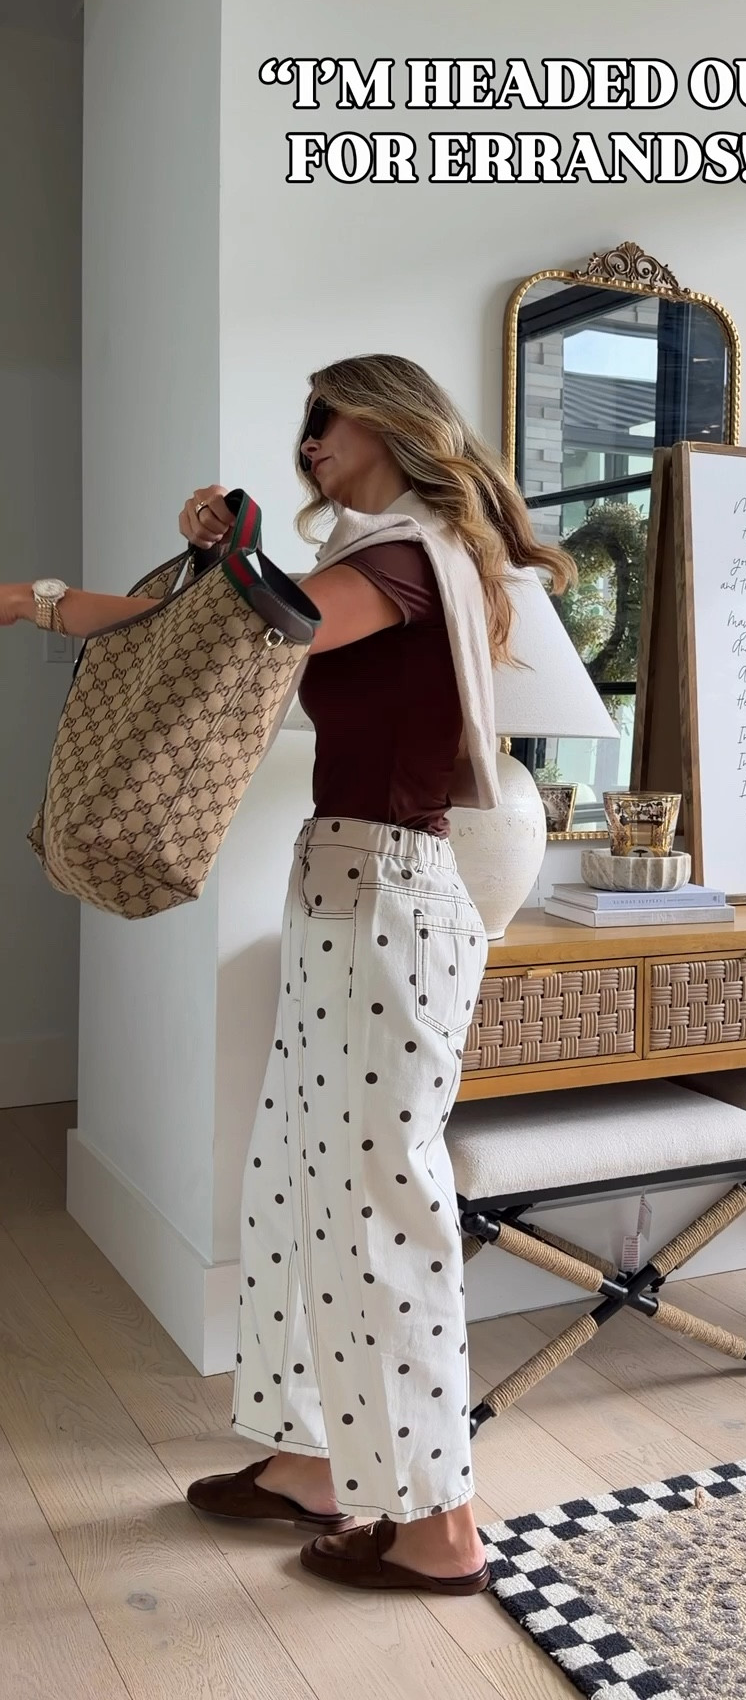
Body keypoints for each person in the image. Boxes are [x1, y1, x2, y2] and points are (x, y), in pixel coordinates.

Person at [2, 354, 573, 1595]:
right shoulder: (388, 559)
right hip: (346, 892)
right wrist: (47, 598)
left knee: (379, 1209)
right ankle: (312, 1457)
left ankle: (440, 1526)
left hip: (390, 901)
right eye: (304, 421)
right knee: (296, 1183)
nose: (309, 438)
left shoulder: (411, 559)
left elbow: (246, 625)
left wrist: (213, 554)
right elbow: (209, 625)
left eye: (329, 416)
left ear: (397, 422)